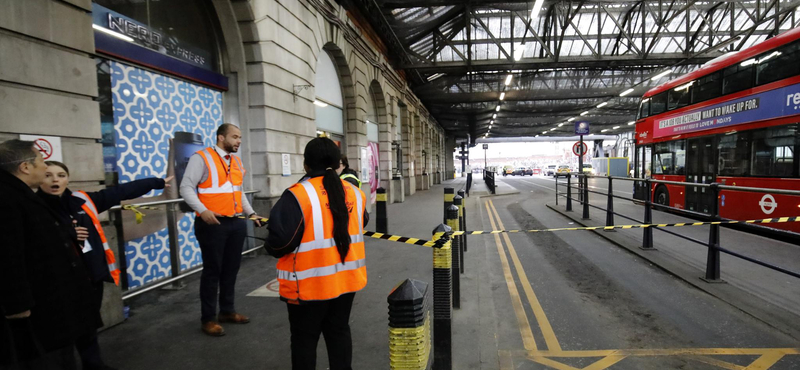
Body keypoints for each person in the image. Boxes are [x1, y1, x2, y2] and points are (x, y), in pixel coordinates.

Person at [37, 161, 171, 370]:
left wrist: (157, 182)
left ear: (67, 179)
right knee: (61, 331)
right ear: (37, 178)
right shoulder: (33, 207)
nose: (55, 179)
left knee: (89, 323)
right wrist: (65, 233)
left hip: (89, 275)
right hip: (58, 279)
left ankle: (93, 363)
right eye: (48, 175)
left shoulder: (82, 200)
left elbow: (121, 191)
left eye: (61, 175)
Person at [264, 137, 369, 370]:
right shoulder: (355, 193)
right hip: (346, 280)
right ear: (337, 162)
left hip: (308, 286)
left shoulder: (298, 194)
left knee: (304, 339)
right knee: (339, 332)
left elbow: (280, 242)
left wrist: (269, 246)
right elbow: (361, 222)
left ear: (306, 165)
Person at [0, 139, 94, 370]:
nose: (45, 168)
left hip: (49, 301)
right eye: (41, 161)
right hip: (37, 308)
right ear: (25, 167)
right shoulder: (8, 199)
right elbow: (8, 255)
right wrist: (17, 304)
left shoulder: (21, 195)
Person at [180, 123, 263, 336]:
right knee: (212, 271)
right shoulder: (202, 158)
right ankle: (207, 318)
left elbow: (239, 191)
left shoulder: (235, 161)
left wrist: (251, 213)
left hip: (235, 222)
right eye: (235, 137)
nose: (239, 141)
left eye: (240, 138)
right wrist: (202, 210)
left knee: (231, 269)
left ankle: (227, 311)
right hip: (212, 224)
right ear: (220, 137)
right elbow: (186, 187)